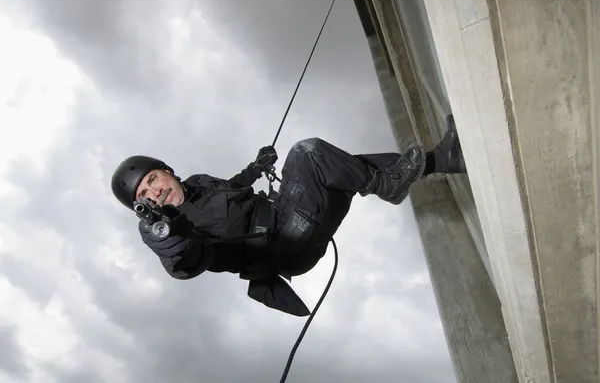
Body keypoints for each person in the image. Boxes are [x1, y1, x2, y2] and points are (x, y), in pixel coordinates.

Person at [111, 115, 466, 316]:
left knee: (343, 166)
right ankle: (389, 186)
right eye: (145, 195)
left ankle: (446, 158)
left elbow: (233, 187)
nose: (155, 190)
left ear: (167, 171)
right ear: (149, 208)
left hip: (284, 213)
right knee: (308, 153)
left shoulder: (198, 183)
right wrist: (167, 243)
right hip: (284, 244)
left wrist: (256, 166)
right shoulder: (179, 230)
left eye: (153, 179)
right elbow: (186, 261)